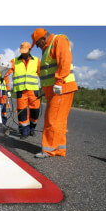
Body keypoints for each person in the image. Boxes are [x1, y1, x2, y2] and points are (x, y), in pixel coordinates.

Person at [31, 28, 78, 158]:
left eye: (37, 43)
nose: (38, 46)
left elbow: (65, 60)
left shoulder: (59, 40)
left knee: (52, 120)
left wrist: (59, 81)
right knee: (59, 121)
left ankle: (48, 150)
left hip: (61, 88)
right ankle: (59, 149)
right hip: (55, 90)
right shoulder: (47, 48)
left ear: (43, 39)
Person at [6, 42, 41, 139]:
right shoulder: (14, 61)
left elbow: (41, 75)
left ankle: (32, 128)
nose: (23, 53)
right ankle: (24, 132)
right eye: (22, 51)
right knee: (22, 112)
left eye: (25, 51)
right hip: (21, 91)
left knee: (35, 111)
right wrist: (8, 88)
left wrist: (47, 88)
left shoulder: (36, 61)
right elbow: (6, 73)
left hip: (33, 91)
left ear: (30, 50)